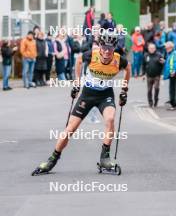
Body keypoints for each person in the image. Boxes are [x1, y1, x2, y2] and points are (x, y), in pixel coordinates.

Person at [32, 32, 131, 175]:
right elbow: (78, 60)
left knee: (110, 119)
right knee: (70, 129)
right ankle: (52, 160)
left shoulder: (118, 59)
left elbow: (128, 68)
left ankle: (105, 158)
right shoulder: (92, 54)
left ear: (114, 47)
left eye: (110, 48)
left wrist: (124, 90)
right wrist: (77, 83)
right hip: (88, 94)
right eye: (104, 47)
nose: (107, 51)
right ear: (100, 46)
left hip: (105, 95)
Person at [163, 42, 176, 110]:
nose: (165, 48)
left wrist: (174, 71)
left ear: (170, 47)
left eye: (166, 47)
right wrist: (165, 61)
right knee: (171, 90)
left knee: (173, 90)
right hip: (171, 75)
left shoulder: (174, 53)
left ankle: (174, 104)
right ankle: (172, 103)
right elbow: (170, 63)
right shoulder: (170, 54)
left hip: (174, 74)